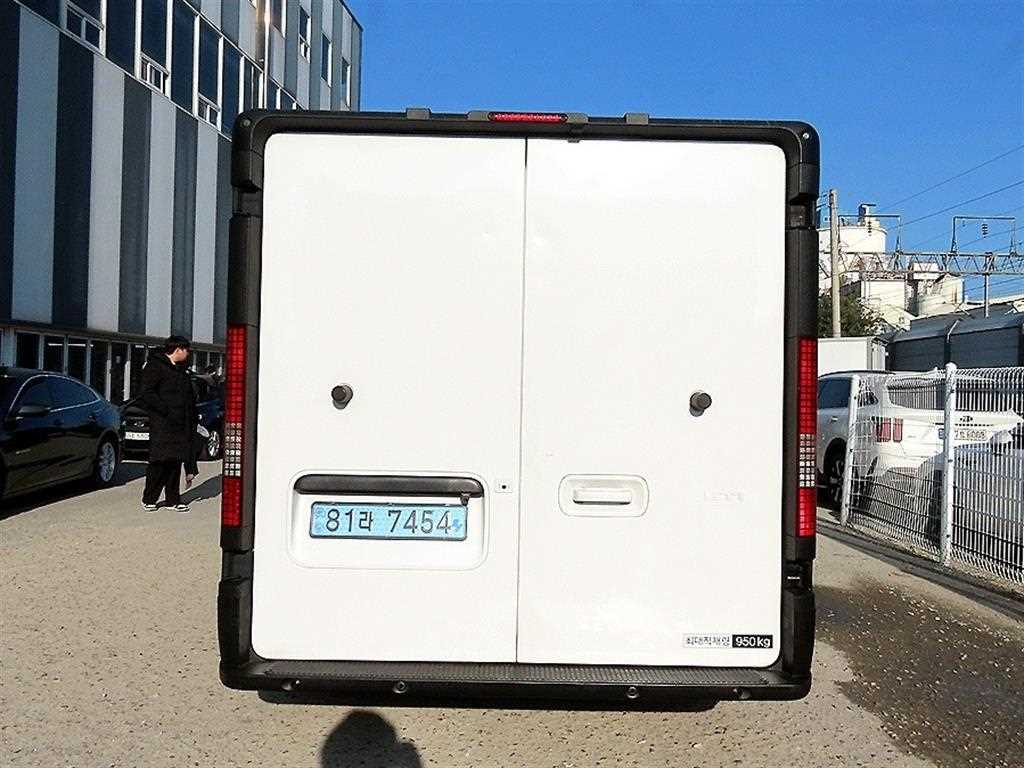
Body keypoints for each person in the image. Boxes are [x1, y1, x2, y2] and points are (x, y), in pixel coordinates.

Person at [139, 336, 199, 512]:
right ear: (178, 349)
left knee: (175, 461)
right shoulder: (155, 366)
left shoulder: (182, 370)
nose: (188, 354)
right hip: (163, 423)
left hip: (180, 424)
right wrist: (165, 410)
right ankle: (149, 498)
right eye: (186, 350)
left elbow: (188, 396)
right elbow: (147, 393)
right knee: (159, 462)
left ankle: (173, 499)